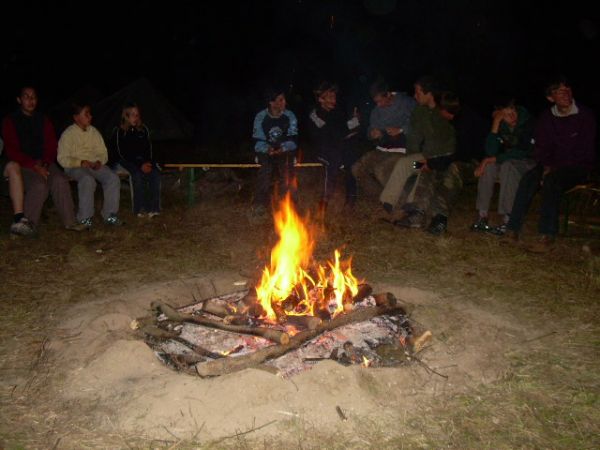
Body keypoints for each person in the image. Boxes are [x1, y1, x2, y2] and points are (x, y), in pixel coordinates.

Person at [505, 76, 596, 252]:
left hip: (578, 166)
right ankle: (512, 230)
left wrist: (553, 168)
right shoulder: (547, 118)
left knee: (552, 181)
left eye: (567, 90)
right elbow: (541, 147)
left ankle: (547, 235)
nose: (565, 93)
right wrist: (546, 165)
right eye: (559, 91)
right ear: (550, 98)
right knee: (529, 178)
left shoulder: (585, 116)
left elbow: (585, 151)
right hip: (551, 164)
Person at [1, 86, 84, 233]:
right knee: (39, 186)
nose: (30, 100)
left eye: (33, 97)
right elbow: (11, 150)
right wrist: (34, 165)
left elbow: (51, 145)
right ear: (19, 100)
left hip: (43, 162)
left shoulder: (43, 120)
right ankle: (26, 225)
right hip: (23, 165)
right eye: (26, 96)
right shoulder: (10, 121)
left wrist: (44, 163)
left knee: (59, 180)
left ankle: (70, 221)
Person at [393, 77, 456, 233]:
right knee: (414, 168)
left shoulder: (444, 112)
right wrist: (413, 157)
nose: (415, 96)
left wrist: (434, 161)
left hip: (444, 161)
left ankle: (434, 217)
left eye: (418, 92)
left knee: (439, 178)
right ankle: (415, 213)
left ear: (429, 94)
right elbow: (414, 139)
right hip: (426, 160)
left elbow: (449, 144)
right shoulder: (419, 112)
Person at [470, 97, 536, 235]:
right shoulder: (501, 125)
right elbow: (490, 151)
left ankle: (508, 220)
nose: (511, 115)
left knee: (507, 166)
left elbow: (524, 151)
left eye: (512, 111)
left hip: (529, 163)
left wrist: (491, 159)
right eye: (505, 114)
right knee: (489, 167)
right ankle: (482, 216)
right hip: (507, 161)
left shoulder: (529, 122)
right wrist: (495, 124)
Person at [57, 102, 123, 227]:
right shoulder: (68, 134)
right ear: (76, 117)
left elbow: (103, 152)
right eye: (86, 114)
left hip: (93, 165)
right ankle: (85, 217)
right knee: (87, 179)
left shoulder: (94, 132)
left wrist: (99, 162)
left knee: (112, 178)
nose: (90, 116)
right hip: (74, 166)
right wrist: (80, 162)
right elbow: (62, 158)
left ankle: (110, 215)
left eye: (90, 113)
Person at [351, 79, 415, 200]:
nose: (378, 105)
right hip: (381, 149)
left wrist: (400, 130)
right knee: (357, 168)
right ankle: (380, 196)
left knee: (382, 170)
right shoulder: (376, 111)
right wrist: (372, 133)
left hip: (400, 150)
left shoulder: (407, 103)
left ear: (388, 94)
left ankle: (401, 201)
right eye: (376, 102)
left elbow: (417, 123)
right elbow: (370, 130)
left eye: (380, 101)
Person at [308, 81, 361, 213]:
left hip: (339, 147)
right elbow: (330, 133)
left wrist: (355, 121)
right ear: (321, 99)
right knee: (334, 159)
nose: (334, 100)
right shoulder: (315, 114)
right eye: (330, 97)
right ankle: (324, 201)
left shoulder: (337, 112)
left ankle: (351, 199)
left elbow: (347, 129)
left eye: (334, 96)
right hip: (321, 150)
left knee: (352, 159)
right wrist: (347, 130)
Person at [252, 87, 298, 214]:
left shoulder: (290, 116)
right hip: (267, 150)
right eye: (281, 100)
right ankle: (260, 204)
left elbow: (293, 139)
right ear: (271, 103)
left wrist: (283, 148)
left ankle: (288, 205)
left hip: (285, 150)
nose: (285, 102)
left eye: (284, 100)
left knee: (287, 170)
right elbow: (257, 141)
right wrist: (267, 148)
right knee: (265, 170)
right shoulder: (261, 117)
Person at [110, 103, 160, 218]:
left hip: (141, 160)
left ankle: (154, 208)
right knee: (136, 173)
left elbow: (148, 150)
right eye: (132, 115)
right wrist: (140, 164)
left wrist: (148, 162)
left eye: (137, 115)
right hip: (123, 161)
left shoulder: (143, 130)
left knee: (155, 173)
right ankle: (140, 208)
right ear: (126, 116)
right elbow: (121, 153)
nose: (135, 117)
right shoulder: (119, 131)